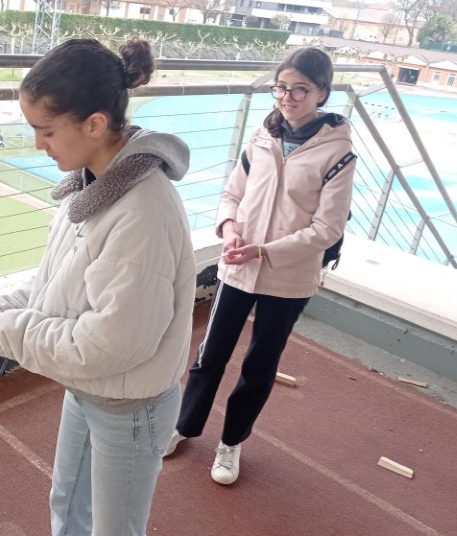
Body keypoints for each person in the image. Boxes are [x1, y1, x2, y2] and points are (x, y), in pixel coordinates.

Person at [0, 38, 195, 536]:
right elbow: (56, 284)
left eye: (45, 130)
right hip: (91, 388)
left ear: (95, 124)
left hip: (129, 404)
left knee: (115, 528)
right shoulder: (92, 186)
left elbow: (110, 343)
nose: (38, 143)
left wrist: (9, 334)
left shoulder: (142, 212)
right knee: (67, 504)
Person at [163, 47, 356, 486]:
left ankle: (231, 442)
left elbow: (327, 228)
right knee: (209, 356)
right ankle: (184, 426)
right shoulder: (262, 136)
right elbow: (232, 195)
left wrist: (263, 251)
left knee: (259, 366)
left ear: (322, 92)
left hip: (289, 277)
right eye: (281, 88)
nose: (287, 98)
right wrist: (231, 230)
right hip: (238, 266)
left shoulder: (338, 152)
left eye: (300, 89)